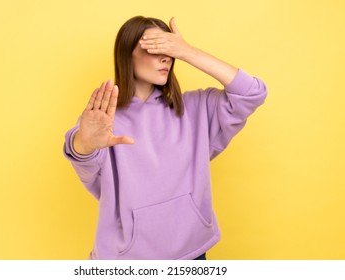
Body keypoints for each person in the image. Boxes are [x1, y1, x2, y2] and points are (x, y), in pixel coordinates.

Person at [63, 15, 267, 260]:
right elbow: (83, 159)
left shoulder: (195, 109)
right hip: (125, 260)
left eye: (169, 48)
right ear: (127, 53)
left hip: (190, 254)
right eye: (156, 45)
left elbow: (252, 92)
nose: (166, 57)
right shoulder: (104, 120)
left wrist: (188, 51)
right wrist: (83, 146)